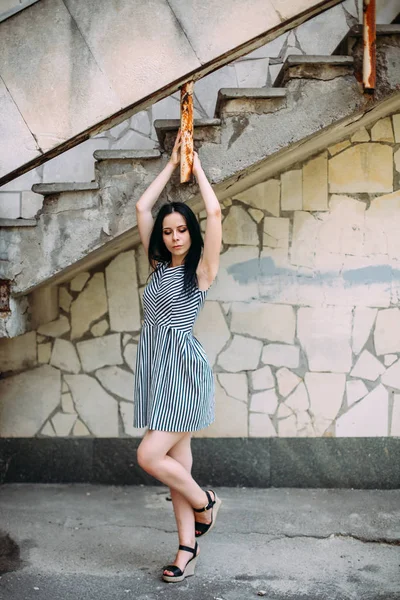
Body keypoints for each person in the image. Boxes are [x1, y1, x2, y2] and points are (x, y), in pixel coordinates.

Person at [133, 131, 223, 583]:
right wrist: (171, 165)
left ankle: (205, 502)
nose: (173, 237)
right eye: (168, 232)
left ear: (190, 231)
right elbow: (141, 209)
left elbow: (214, 211)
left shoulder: (201, 271)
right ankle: (186, 548)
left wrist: (196, 165)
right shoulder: (156, 267)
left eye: (180, 229)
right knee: (176, 465)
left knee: (150, 455)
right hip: (155, 369)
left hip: (183, 372)